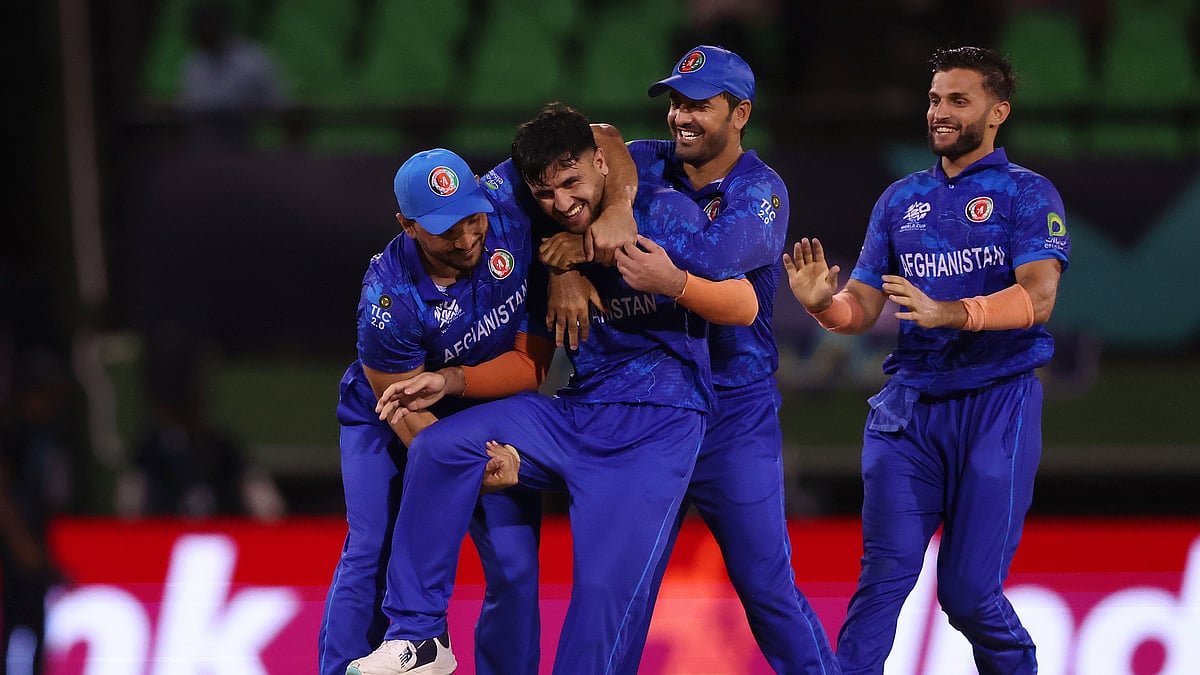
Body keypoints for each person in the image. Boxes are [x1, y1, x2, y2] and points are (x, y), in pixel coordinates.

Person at [346, 102, 760, 675]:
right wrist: (566, 268)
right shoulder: (539, 233)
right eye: (546, 194)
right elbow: (531, 346)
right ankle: (421, 640)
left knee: (600, 599)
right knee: (444, 448)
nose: (562, 203)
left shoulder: (663, 214)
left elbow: (745, 304)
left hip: (656, 426)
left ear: (601, 167)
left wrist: (674, 280)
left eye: (572, 184)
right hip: (575, 413)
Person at [541, 44, 838, 673]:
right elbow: (595, 139)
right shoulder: (643, 165)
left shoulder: (761, 190)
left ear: (740, 114)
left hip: (734, 415)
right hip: (647, 410)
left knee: (767, 589)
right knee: (624, 595)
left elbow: (711, 258)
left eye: (699, 105)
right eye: (675, 102)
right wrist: (594, 233)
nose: (681, 117)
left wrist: (593, 244)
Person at [783, 45, 1070, 673]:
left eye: (958, 101)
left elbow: (1038, 296)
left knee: (967, 596)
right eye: (935, 98)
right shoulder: (899, 199)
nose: (940, 111)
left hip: (997, 402)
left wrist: (953, 313)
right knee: (881, 582)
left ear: (998, 112)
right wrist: (823, 308)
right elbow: (860, 304)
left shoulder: (1027, 193)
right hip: (909, 412)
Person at [318, 147, 556, 675]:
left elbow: (598, 144)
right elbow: (406, 414)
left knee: (516, 568)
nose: (469, 238)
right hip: (392, 416)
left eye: (472, 218)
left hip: (492, 400)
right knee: (372, 548)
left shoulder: (510, 199)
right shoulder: (388, 301)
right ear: (407, 225)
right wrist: (469, 472)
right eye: (447, 229)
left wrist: (569, 271)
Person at [177, 0, 288, 147]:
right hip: (197, 146)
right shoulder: (194, 61)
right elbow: (186, 104)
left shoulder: (252, 60)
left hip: (241, 144)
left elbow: (278, 106)